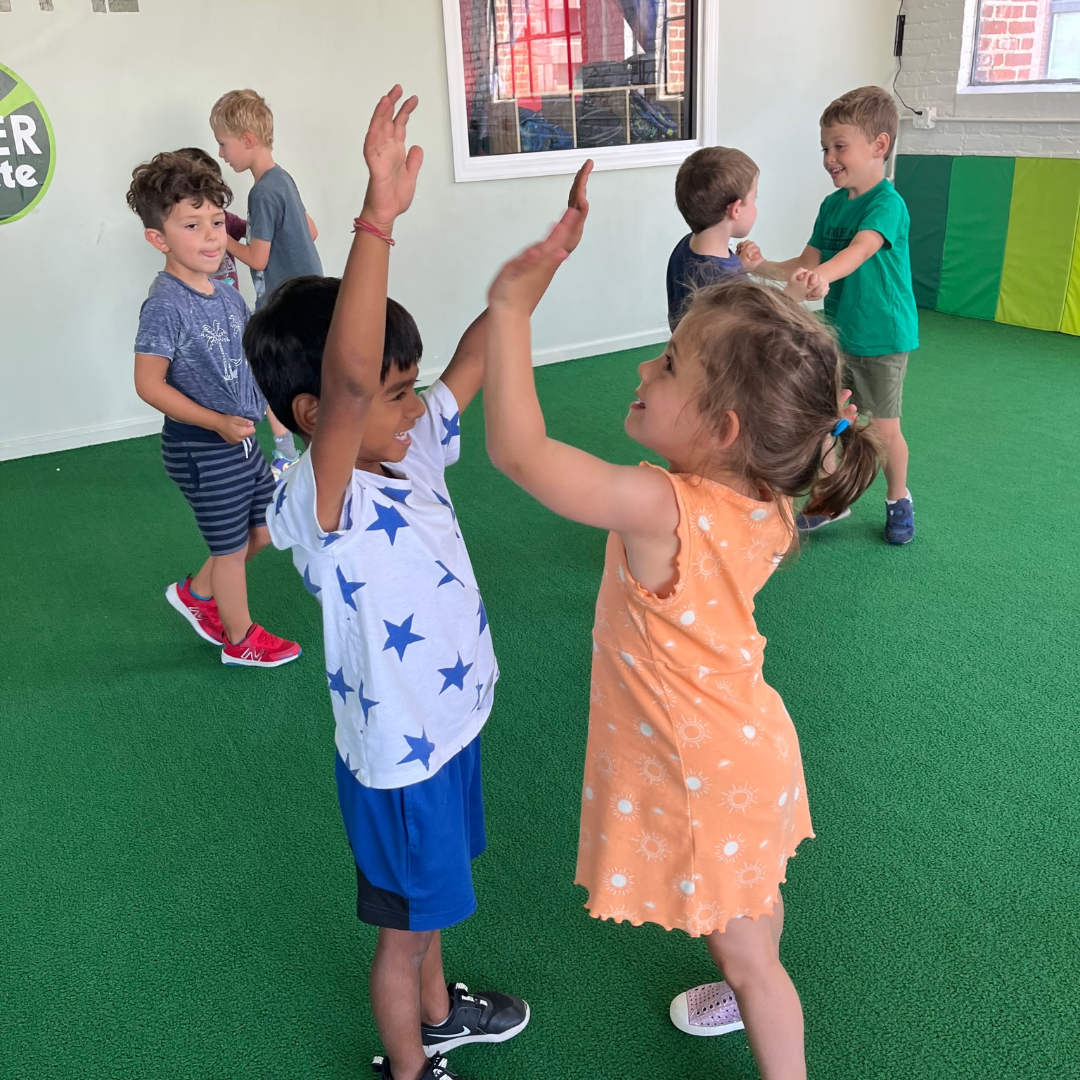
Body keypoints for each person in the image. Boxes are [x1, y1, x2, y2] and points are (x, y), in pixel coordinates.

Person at [481, 176, 883, 1079]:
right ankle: (747, 979)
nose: (642, 371)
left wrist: (510, 310)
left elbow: (520, 453)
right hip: (747, 745)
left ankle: (763, 1014)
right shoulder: (769, 496)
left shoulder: (663, 506)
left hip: (707, 770)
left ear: (724, 427)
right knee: (749, 903)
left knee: (752, 958)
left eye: (666, 366)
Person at [246, 89, 586, 1080]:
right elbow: (353, 381)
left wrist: (536, 269)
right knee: (401, 936)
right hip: (399, 765)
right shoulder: (322, 498)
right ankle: (410, 1066)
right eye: (392, 391)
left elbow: (478, 353)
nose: (411, 403)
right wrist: (377, 218)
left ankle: (440, 1014)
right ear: (315, 415)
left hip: (449, 729)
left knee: (431, 913)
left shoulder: (411, 444)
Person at [127, 151, 301, 668]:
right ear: (158, 239)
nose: (210, 236)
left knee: (263, 531)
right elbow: (148, 384)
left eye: (217, 222)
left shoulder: (226, 296)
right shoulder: (165, 303)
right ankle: (240, 638)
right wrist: (215, 422)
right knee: (230, 551)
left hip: (241, 440)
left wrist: (279, 424)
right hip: (200, 448)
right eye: (191, 225)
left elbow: (251, 367)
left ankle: (195, 594)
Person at [738, 86, 918, 545]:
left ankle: (898, 498)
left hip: (882, 336)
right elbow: (805, 264)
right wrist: (761, 266)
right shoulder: (832, 205)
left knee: (883, 429)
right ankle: (830, 498)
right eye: (824, 148)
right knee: (825, 418)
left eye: (839, 147)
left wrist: (822, 277)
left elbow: (860, 250)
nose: (829, 158)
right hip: (837, 333)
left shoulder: (887, 204)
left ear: (879, 145)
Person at [210, 88, 322, 476]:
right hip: (308, 295)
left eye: (223, 144)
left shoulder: (261, 192)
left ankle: (286, 452)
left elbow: (257, 258)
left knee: (269, 376)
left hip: (284, 303)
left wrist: (220, 236)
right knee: (306, 376)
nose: (221, 154)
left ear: (247, 140)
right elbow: (311, 230)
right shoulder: (282, 179)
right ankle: (314, 448)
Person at [667, 146, 824, 330]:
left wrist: (739, 267)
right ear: (735, 210)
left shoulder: (687, 245)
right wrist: (791, 296)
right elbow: (752, 329)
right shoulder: (726, 284)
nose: (755, 207)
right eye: (754, 199)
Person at [175, 147, 248, 292]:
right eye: (192, 225)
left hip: (229, 300)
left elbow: (256, 231)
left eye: (216, 223)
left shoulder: (227, 219)